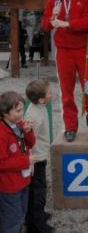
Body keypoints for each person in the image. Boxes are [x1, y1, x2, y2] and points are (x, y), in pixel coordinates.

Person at [41, 0, 88, 144]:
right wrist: (52, 21)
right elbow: (44, 25)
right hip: (64, 51)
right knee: (66, 92)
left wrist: (67, 24)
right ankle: (70, 127)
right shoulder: (54, 0)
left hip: (83, 50)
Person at [0, 91, 36, 233]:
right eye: (18, 110)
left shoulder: (19, 124)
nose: (21, 114)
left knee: (21, 213)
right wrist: (25, 161)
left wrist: (28, 131)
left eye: (22, 109)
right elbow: (2, 163)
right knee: (11, 219)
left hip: (23, 180)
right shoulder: (2, 134)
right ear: (5, 113)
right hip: (9, 185)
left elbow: (31, 144)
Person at [25, 79, 54, 233]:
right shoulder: (34, 116)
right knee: (38, 190)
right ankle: (36, 225)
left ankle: (37, 216)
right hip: (36, 159)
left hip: (41, 155)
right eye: (49, 92)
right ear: (42, 99)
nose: (52, 93)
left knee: (39, 188)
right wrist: (30, 161)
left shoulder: (39, 105)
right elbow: (29, 141)